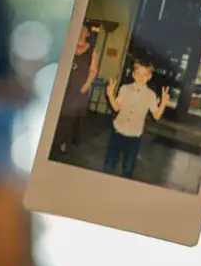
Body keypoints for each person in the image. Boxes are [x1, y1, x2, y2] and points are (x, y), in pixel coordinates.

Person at [102, 58, 173, 180]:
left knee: (128, 169)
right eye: (138, 73)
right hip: (117, 132)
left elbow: (156, 116)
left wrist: (163, 103)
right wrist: (110, 95)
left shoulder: (151, 95)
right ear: (133, 74)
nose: (141, 77)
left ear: (149, 76)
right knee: (109, 164)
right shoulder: (125, 88)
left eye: (145, 74)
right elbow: (116, 108)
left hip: (134, 137)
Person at [53, 24, 102, 155]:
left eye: (84, 30)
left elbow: (93, 70)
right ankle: (55, 140)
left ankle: (59, 143)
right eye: (78, 28)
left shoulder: (92, 50)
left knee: (68, 118)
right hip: (63, 86)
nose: (80, 32)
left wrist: (86, 85)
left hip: (78, 89)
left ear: (87, 34)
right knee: (56, 115)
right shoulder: (68, 45)